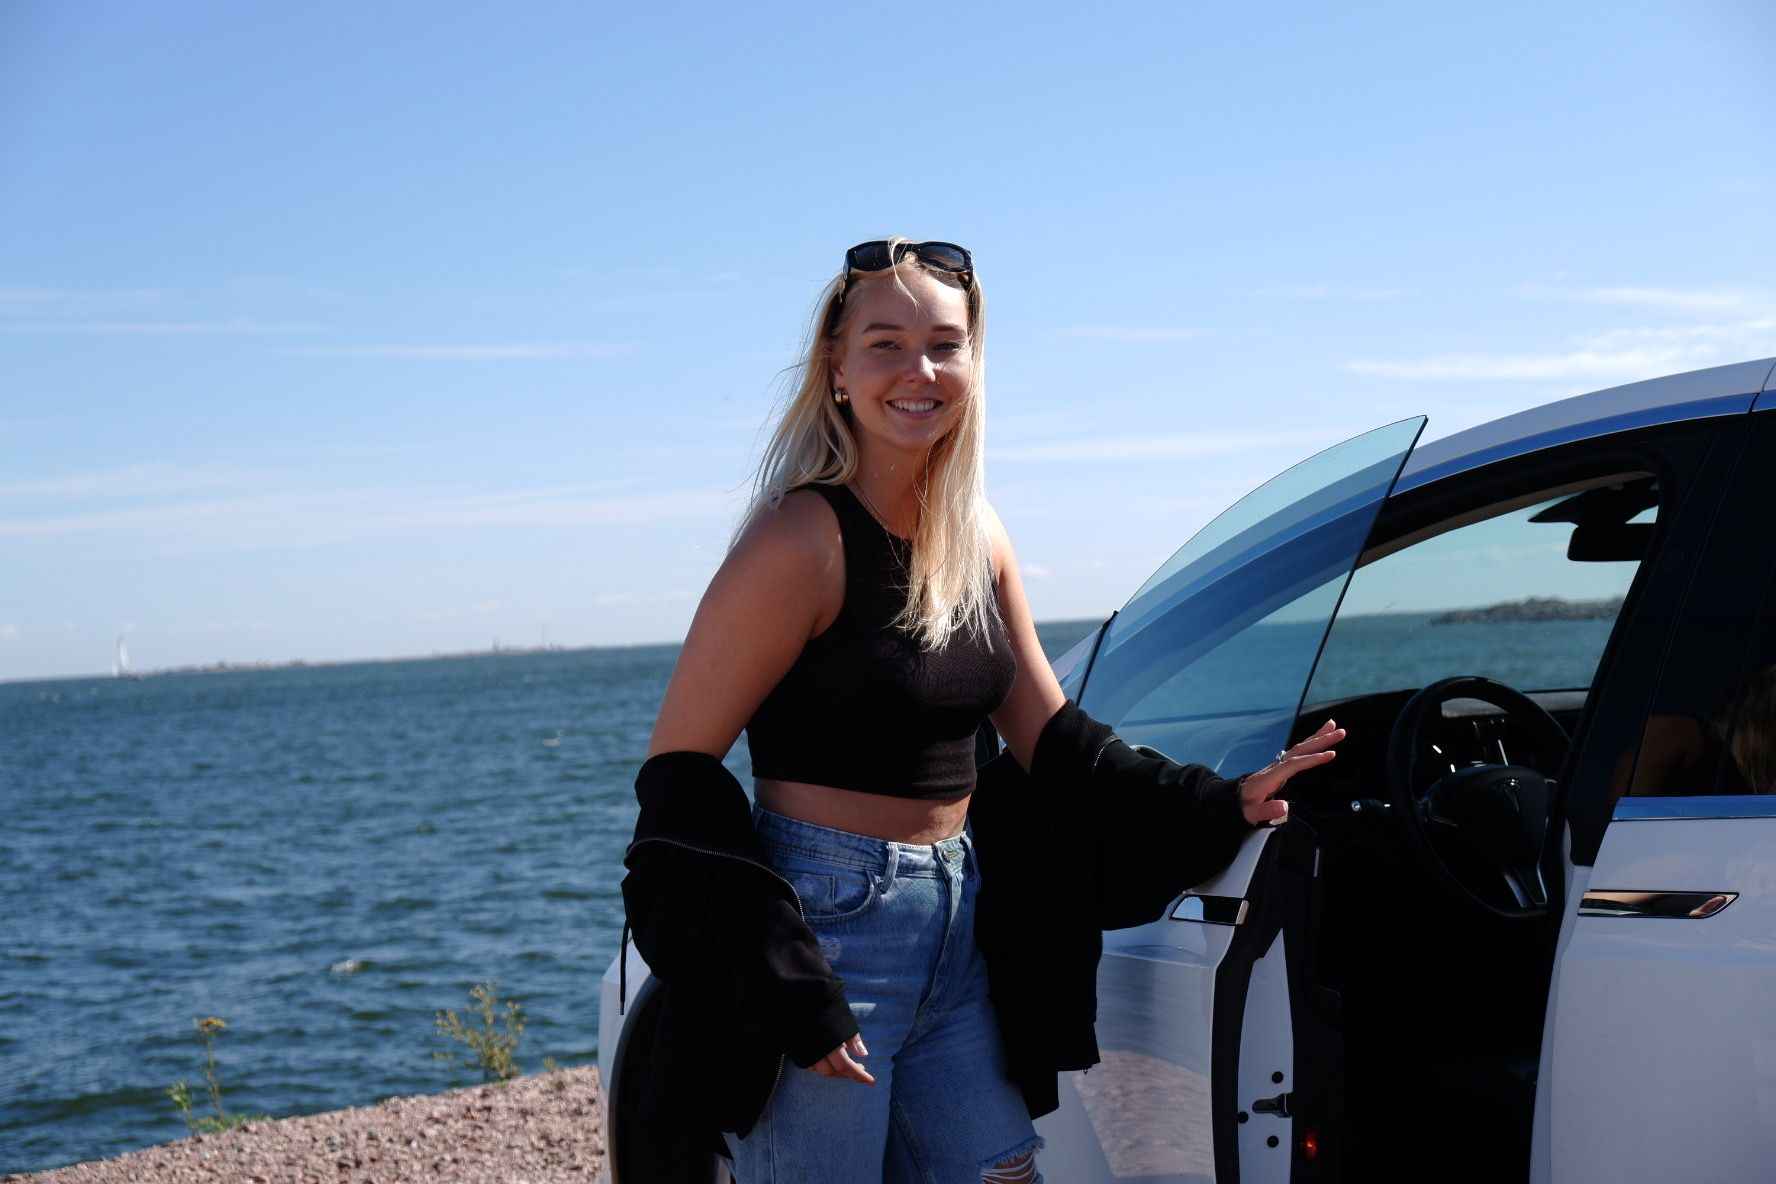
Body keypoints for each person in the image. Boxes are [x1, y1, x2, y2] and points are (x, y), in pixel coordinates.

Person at [622, 239, 1344, 1184]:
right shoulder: (797, 540)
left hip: (958, 924)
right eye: (885, 344)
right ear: (835, 369)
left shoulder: (978, 535)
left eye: (944, 345)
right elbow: (679, 778)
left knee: (1000, 1172)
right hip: (830, 929)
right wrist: (786, 978)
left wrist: (1219, 799)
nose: (919, 371)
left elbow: (1055, 740)